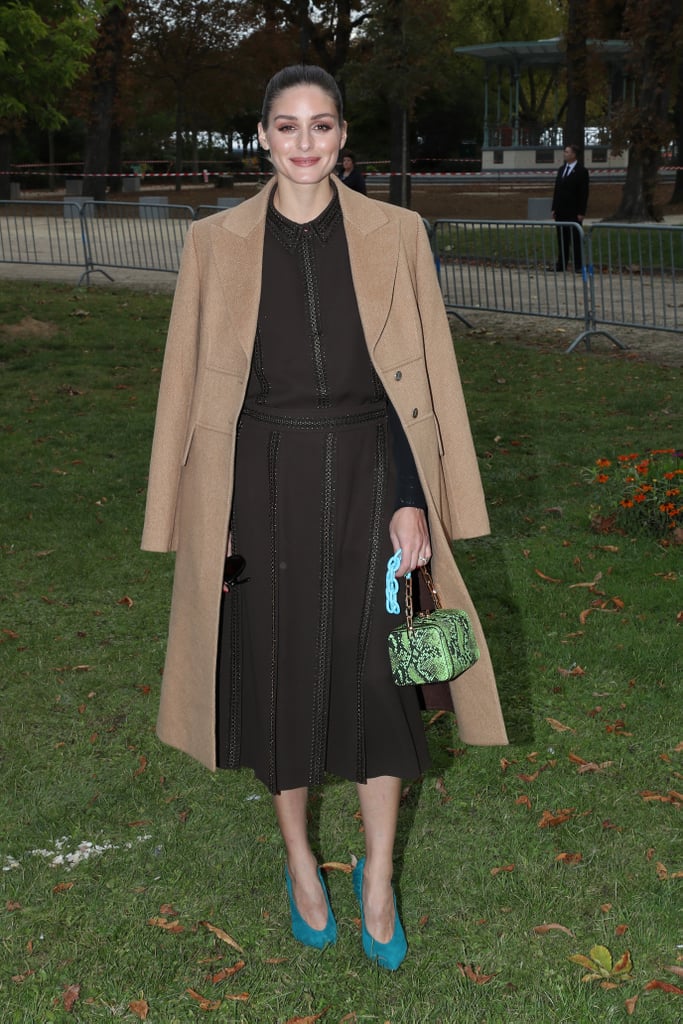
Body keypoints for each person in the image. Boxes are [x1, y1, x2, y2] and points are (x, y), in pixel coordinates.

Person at [141, 63, 507, 972]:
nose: (305, 143)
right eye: (286, 126)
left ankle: (377, 877)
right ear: (262, 136)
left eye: (323, 126)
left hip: (374, 486)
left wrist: (415, 497)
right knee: (278, 679)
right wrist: (203, 512)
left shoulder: (398, 234)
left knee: (383, 682)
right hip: (257, 487)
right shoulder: (215, 242)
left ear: (344, 137)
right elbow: (186, 389)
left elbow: (420, 379)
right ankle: (303, 865)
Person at [552, 143, 590, 271]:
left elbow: (584, 193)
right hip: (561, 210)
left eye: (567, 152)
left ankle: (578, 265)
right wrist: (554, 208)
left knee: (575, 239)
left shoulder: (581, 171)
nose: (565, 154)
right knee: (562, 239)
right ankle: (561, 264)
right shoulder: (562, 169)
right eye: (565, 151)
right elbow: (557, 190)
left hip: (574, 211)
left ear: (574, 154)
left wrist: (581, 211)